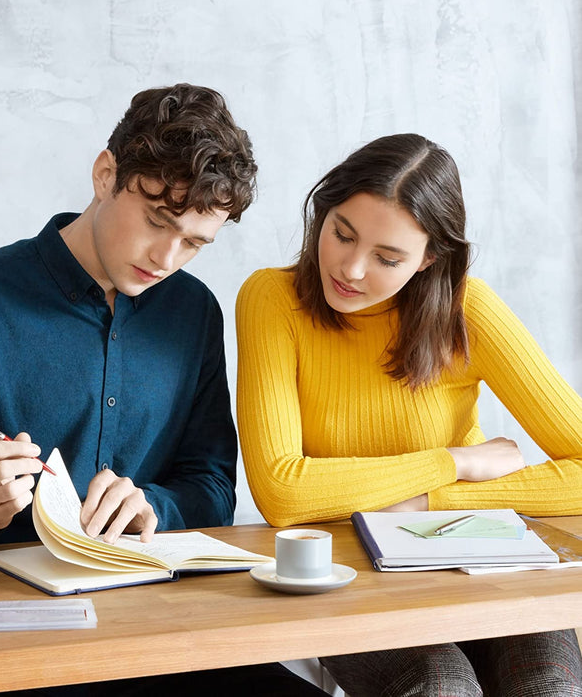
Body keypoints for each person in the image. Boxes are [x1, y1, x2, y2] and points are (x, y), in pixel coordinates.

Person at [0, 83, 326, 696]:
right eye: (157, 221)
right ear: (104, 174)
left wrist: (152, 507)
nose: (168, 257)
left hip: (161, 630)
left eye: (195, 243)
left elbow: (212, 487)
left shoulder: (193, 312)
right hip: (12, 641)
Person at [236, 133, 582, 696]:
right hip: (349, 576)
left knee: (549, 685)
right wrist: (455, 461)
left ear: (429, 259)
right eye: (341, 233)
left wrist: (428, 500)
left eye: (387, 257)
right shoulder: (272, 300)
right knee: (438, 684)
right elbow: (283, 493)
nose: (349, 268)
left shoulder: (467, 309)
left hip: (483, 556)